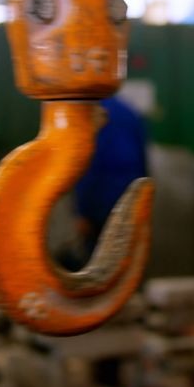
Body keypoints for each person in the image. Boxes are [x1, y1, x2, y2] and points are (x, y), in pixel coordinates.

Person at [59, 96, 149, 271]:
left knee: (96, 265)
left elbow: (86, 164)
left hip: (97, 202)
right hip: (130, 195)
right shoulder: (130, 112)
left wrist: (83, 211)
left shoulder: (87, 113)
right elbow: (143, 160)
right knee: (126, 260)